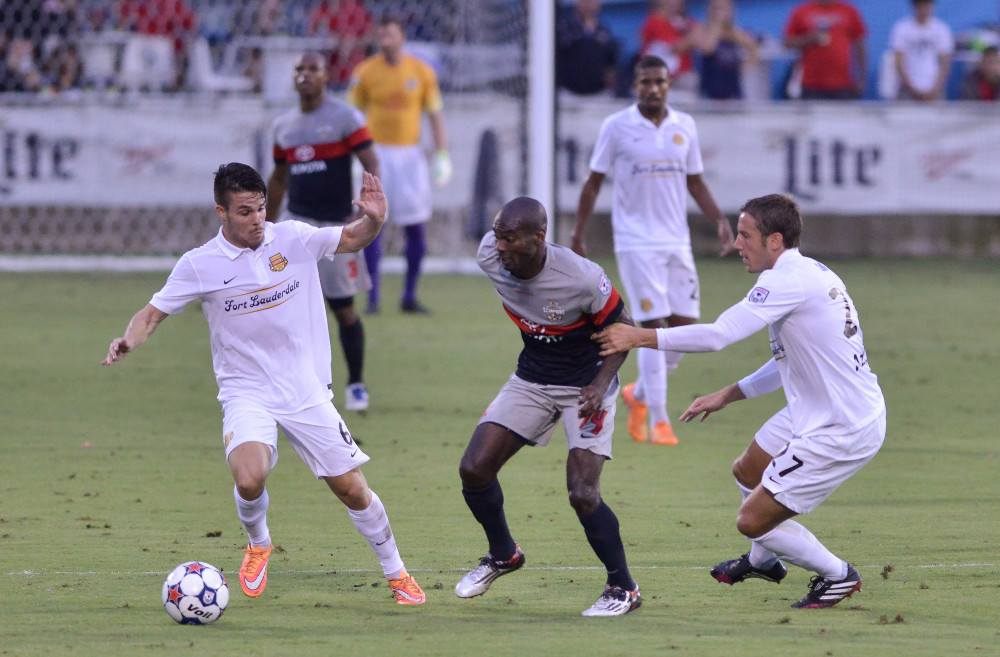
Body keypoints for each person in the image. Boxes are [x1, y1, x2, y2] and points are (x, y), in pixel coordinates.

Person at [101, 164, 425, 606]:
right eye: (245, 212)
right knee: (250, 478)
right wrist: (127, 340)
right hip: (245, 392)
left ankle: (397, 573)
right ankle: (259, 542)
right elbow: (151, 314)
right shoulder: (200, 264)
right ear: (222, 212)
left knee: (352, 489)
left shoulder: (292, 237)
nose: (257, 219)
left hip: (304, 390)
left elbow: (351, 238)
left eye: (261, 208)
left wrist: (375, 219)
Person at [594, 193, 886, 609]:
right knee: (749, 470)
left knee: (751, 519)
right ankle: (764, 563)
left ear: (775, 240)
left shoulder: (787, 280)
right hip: (819, 407)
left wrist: (640, 337)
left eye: (745, 235)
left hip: (842, 424)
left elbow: (718, 335)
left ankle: (838, 575)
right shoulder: (810, 272)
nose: (736, 244)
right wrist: (729, 394)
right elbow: (788, 358)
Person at [456, 196, 642, 617]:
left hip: (585, 387)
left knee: (582, 493)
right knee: (474, 468)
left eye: (509, 238)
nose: (499, 246)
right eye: (497, 236)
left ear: (539, 237)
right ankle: (503, 554)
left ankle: (623, 587)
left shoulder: (580, 277)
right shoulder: (491, 255)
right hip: (532, 380)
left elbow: (625, 330)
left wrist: (599, 383)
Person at [572, 54, 734, 447]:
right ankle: (660, 420)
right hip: (635, 241)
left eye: (660, 81)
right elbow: (594, 183)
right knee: (653, 327)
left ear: (669, 85)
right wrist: (578, 233)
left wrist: (721, 221)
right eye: (646, 82)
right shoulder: (617, 127)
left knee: (682, 328)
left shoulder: (685, 126)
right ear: (635, 85)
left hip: (676, 240)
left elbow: (695, 182)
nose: (654, 88)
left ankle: (638, 394)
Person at [266, 52, 377, 414]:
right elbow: (280, 178)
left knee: (343, 309)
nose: (305, 75)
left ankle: (357, 383)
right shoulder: (284, 127)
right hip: (297, 226)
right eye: (299, 69)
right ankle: (297, 385)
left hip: (335, 228)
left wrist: (369, 198)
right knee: (288, 310)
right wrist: (266, 222)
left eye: (312, 69)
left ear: (326, 76)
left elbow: (370, 159)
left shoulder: (344, 117)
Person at [348, 16, 452, 315]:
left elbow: (434, 114)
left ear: (402, 37)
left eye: (390, 34)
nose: (386, 40)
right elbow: (352, 116)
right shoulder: (365, 72)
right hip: (375, 155)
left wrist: (442, 153)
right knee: (372, 222)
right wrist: (352, 156)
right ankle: (373, 298)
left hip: (410, 156)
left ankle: (409, 296)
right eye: (381, 35)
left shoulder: (421, 71)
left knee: (415, 225)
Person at [783, 0, 867, 100]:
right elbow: (787, 43)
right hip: (811, 84)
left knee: (843, 114)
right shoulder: (802, 11)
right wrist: (809, 39)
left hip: (843, 84)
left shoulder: (848, 10)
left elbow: (860, 45)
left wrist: (861, 78)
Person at [691, 0, 759, 100]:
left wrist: (744, 65)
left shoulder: (734, 33)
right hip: (710, 86)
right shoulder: (702, 30)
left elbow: (753, 48)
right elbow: (707, 49)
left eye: (723, 8)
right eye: (716, 8)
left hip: (732, 87)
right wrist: (717, 26)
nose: (719, 12)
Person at [889, 0, 953, 101]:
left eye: (927, 5)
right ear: (914, 6)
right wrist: (912, 89)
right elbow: (898, 63)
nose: (924, 9)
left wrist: (936, 88)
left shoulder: (941, 29)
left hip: (934, 89)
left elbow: (945, 63)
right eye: (921, 5)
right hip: (908, 89)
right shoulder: (902, 28)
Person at [556, 0, 620, 96]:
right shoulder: (564, 29)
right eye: (585, 2)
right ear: (577, 5)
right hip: (568, 92)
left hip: (598, 93)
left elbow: (610, 62)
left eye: (592, 2)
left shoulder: (604, 31)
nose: (588, 6)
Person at [639, 0, 698, 93]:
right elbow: (674, 47)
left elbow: (705, 43)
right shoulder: (654, 21)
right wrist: (693, 37)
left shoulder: (680, 21)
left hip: (681, 76)